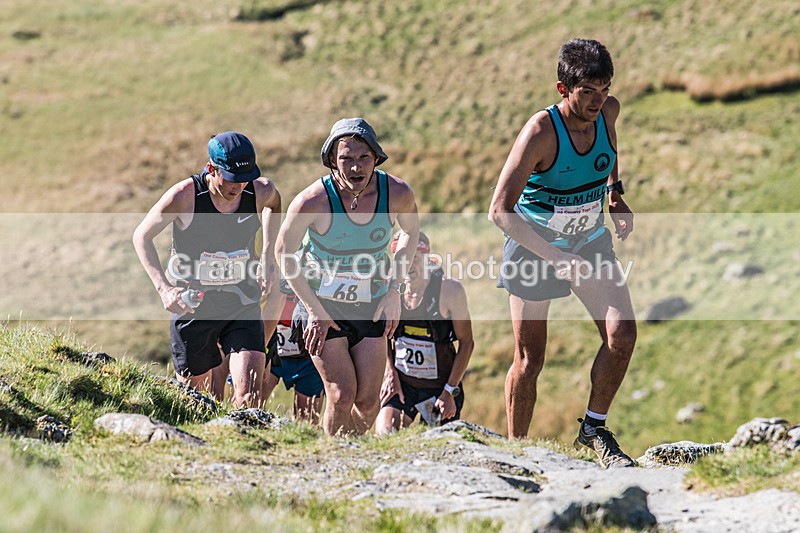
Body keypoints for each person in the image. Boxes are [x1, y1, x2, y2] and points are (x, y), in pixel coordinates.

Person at [488, 39, 637, 467]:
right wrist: (557, 259)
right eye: (586, 91)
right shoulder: (541, 132)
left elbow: (607, 157)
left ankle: (593, 428)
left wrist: (614, 194)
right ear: (562, 88)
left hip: (589, 242)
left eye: (603, 89)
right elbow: (499, 210)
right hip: (534, 248)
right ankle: (517, 452)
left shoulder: (609, 112)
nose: (597, 100)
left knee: (621, 335)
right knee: (530, 358)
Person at [275, 117, 419, 436]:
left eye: (364, 158)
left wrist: (394, 290)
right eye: (347, 159)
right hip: (320, 304)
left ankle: (348, 455)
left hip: (372, 302)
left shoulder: (396, 193)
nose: (356, 168)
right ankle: (335, 461)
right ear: (331, 161)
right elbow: (282, 252)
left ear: (376, 158)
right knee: (341, 395)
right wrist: (313, 310)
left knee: (368, 402)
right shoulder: (313, 201)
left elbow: (411, 232)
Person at [133, 131, 281, 407]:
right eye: (232, 179)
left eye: (245, 177)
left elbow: (274, 203)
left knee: (250, 393)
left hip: (241, 301)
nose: (239, 186)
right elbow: (142, 237)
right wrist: (164, 289)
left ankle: (241, 445)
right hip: (193, 306)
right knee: (196, 400)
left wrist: (268, 256)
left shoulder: (258, 190)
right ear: (212, 168)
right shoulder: (185, 197)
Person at [376, 231, 474, 434]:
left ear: (428, 258)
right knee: (384, 436)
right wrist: (390, 373)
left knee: (437, 448)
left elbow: (467, 343)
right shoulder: (387, 289)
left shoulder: (449, 290)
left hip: (440, 390)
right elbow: (382, 335)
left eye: (415, 258)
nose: (408, 266)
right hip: (403, 386)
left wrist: (449, 391)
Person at [260, 287, 324, 424]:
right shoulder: (271, 280)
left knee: (307, 422)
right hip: (271, 350)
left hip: (308, 358)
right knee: (250, 402)